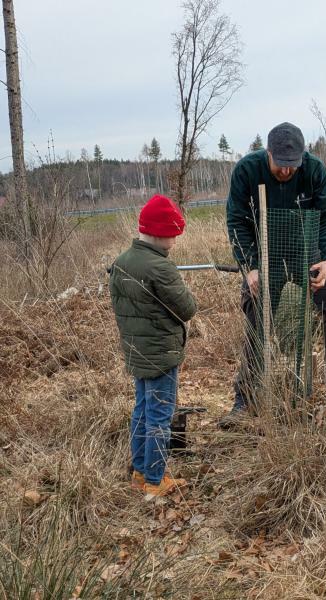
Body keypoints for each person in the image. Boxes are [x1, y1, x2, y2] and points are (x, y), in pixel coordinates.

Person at [223, 121, 326, 424]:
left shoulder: (314, 171)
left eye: (292, 166)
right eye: (280, 165)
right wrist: (250, 267)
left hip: (306, 252)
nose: (286, 172)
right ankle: (245, 398)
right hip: (265, 257)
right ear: (267, 153)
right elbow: (236, 221)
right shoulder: (246, 170)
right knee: (256, 310)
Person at [109, 194, 197, 497]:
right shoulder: (161, 268)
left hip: (136, 351)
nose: (174, 241)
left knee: (142, 410)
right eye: (173, 234)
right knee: (160, 414)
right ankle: (155, 481)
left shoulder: (120, 263)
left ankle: (139, 472)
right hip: (161, 353)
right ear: (160, 232)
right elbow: (187, 309)